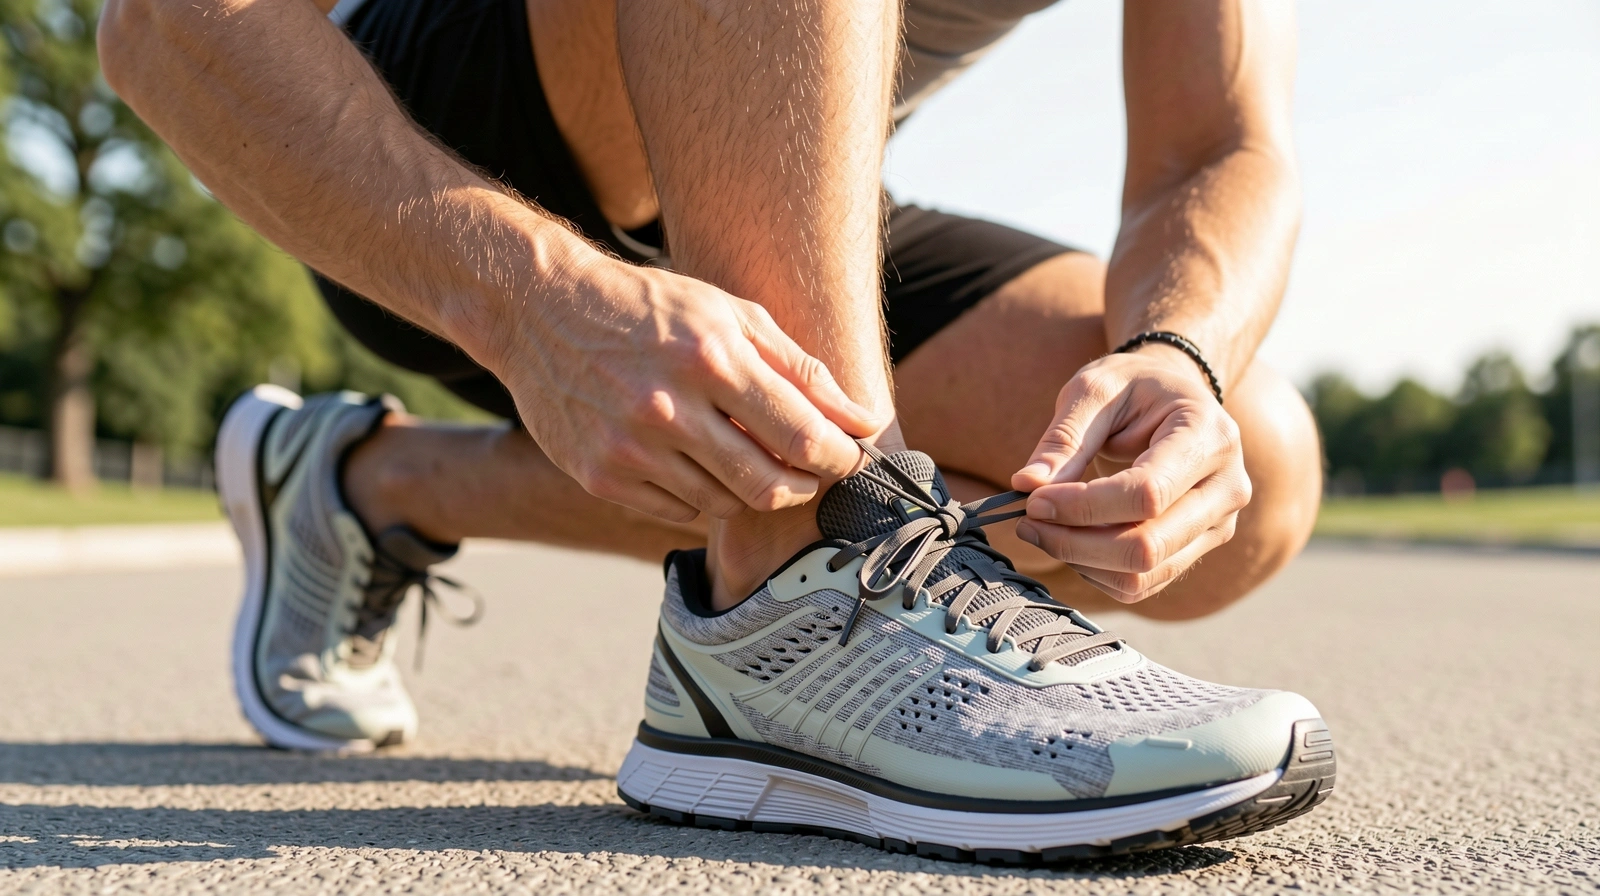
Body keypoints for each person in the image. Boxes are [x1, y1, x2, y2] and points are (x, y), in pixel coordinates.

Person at [99, 0, 1335, 859]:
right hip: (432, 139)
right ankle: (803, 572)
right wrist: (532, 302)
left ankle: (379, 481)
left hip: (772, 166)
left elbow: (1218, 144)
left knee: (1250, 472)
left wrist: (1177, 351)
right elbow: (157, 23)